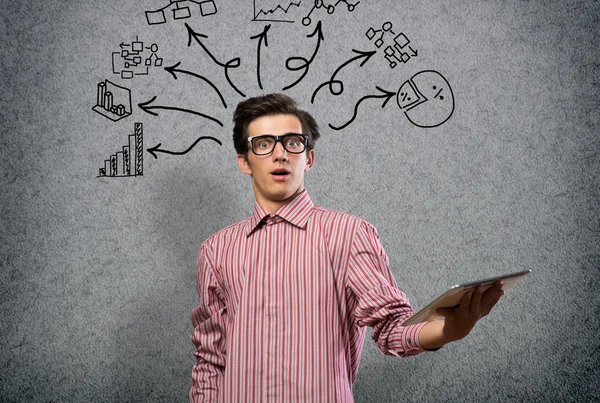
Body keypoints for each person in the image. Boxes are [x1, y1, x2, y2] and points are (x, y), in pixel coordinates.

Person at [189, 93, 504, 403]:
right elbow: (211, 359)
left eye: (293, 143)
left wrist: (447, 330)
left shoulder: (350, 234)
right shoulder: (216, 250)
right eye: (263, 144)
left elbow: (391, 327)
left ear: (308, 158)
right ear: (244, 162)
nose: (280, 154)